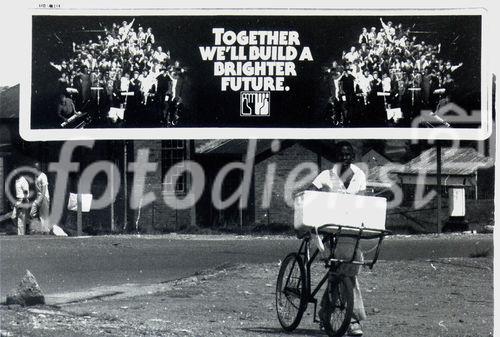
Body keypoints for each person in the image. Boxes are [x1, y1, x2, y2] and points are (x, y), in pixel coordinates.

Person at [311, 141, 367, 336]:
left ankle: (325, 314)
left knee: (343, 271)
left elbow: (363, 201)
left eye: (348, 154)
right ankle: (352, 320)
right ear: (336, 157)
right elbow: (312, 193)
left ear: (353, 156)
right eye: (341, 155)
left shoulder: (359, 175)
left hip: (350, 230)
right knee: (345, 272)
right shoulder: (327, 175)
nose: (344, 158)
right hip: (330, 231)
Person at [30, 162, 51, 233]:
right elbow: (37, 190)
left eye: (35, 168)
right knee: (32, 213)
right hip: (38, 197)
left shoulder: (43, 176)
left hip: (44, 197)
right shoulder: (35, 176)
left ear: (38, 168)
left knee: (44, 216)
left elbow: (44, 190)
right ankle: (39, 228)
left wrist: (40, 200)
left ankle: (45, 231)